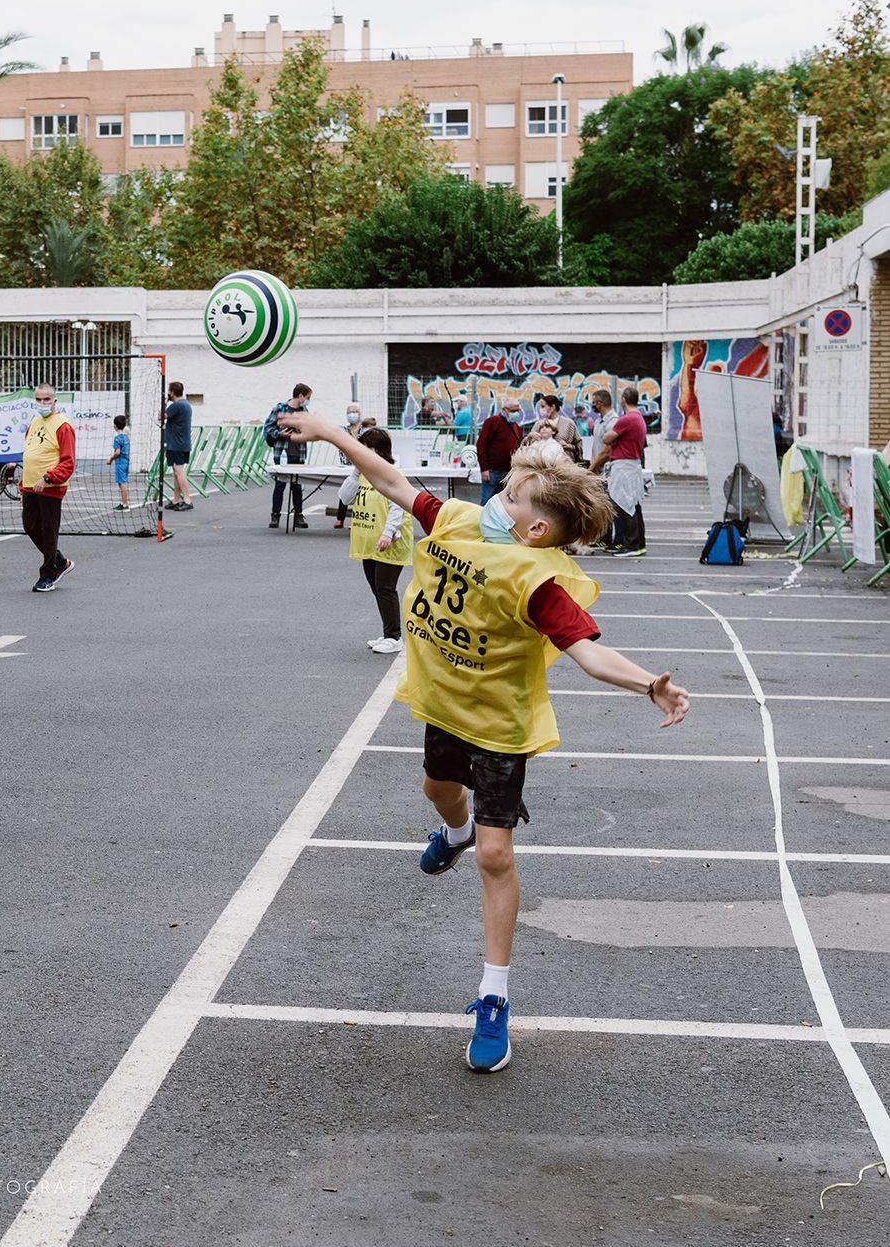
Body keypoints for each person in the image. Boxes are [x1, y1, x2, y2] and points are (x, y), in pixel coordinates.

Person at [283, 407, 690, 1073]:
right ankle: (453, 830)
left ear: (534, 528)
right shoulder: (460, 523)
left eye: (507, 495)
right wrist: (331, 434)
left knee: (495, 857)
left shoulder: (537, 583)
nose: (493, 498)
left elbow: (590, 654)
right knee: (437, 793)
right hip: (445, 708)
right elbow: (391, 483)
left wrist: (649, 685)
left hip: (500, 728)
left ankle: (492, 996)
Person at [335, 425, 412, 653]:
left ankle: (394, 637)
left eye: (366, 449)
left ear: (378, 451)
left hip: (391, 541)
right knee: (376, 588)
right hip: (369, 541)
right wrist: (356, 472)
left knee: (386, 587)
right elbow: (344, 497)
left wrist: (388, 533)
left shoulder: (391, 474)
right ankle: (388, 633)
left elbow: (397, 506)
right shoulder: (363, 474)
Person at [20, 383, 75, 592]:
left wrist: (49, 478)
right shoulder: (34, 422)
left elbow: (68, 462)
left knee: (48, 529)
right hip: (30, 485)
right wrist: (23, 482)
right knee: (30, 526)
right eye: (39, 399)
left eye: (47, 399)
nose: (42, 403)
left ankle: (48, 574)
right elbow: (30, 455)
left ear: (54, 401)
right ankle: (60, 561)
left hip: (50, 486)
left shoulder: (63, 425)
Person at [592, 386, 650, 556]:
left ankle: (631, 544)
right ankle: (639, 542)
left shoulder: (627, 419)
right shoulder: (639, 417)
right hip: (632, 464)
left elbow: (607, 438)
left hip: (623, 465)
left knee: (624, 503)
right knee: (633, 504)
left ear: (623, 399)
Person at [263, 383, 311, 529]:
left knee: (297, 486)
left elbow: (309, 429)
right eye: (308, 397)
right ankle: (275, 516)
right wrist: (280, 434)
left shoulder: (304, 411)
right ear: (301, 395)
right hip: (282, 451)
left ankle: (298, 516)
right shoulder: (280, 408)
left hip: (298, 451)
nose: (308, 400)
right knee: (280, 485)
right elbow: (268, 426)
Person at [476, 398, 525, 504]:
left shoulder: (515, 426)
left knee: (503, 503)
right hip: (493, 471)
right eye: (513, 411)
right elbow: (481, 445)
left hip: (509, 471)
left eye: (517, 411)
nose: (516, 413)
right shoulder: (493, 422)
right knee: (487, 500)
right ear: (504, 410)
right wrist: (484, 468)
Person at [162, 380, 194, 510]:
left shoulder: (176, 405)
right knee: (176, 472)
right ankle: (176, 500)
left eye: (169, 391)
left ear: (172, 392)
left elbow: (161, 416)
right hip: (180, 443)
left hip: (176, 443)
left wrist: (165, 402)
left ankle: (187, 499)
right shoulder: (185, 404)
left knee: (179, 471)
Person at [536, 394, 581, 465]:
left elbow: (578, 444)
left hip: (565, 465)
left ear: (553, 407)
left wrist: (570, 446)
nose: (540, 409)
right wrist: (531, 436)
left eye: (543, 406)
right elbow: (527, 444)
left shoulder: (568, 423)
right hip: (542, 465)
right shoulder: (539, 424)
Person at [108, 413, 132, 512]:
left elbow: (117, 452)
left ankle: (125, 504)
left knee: (122, 482)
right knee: (122, 481)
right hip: (126, 460)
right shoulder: (126, 437)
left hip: (120, 461)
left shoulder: (117, 438)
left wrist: (111, 459)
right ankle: (123, 502)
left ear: (115, 425)